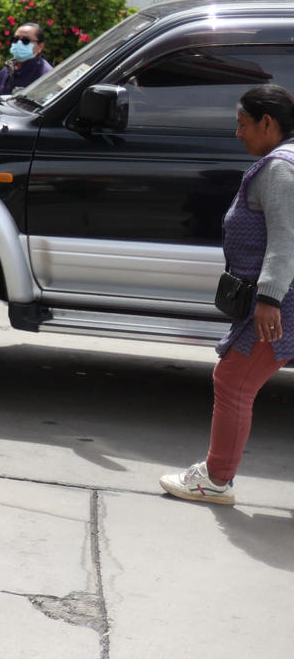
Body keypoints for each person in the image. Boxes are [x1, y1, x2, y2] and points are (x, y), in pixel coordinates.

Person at [158, 84, 294, 505]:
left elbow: (285, 240)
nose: (237, 134)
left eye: (242, 125)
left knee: (233, 381)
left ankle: (215, 480)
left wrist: (269, 299)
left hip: (280, 302)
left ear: (267, 123)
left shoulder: (279, 169)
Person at [0, 22, 53, 96]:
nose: (19, 43)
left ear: (40, 46)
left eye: (26, 41)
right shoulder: (6, 70)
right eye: (15, 39)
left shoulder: (45, 76)